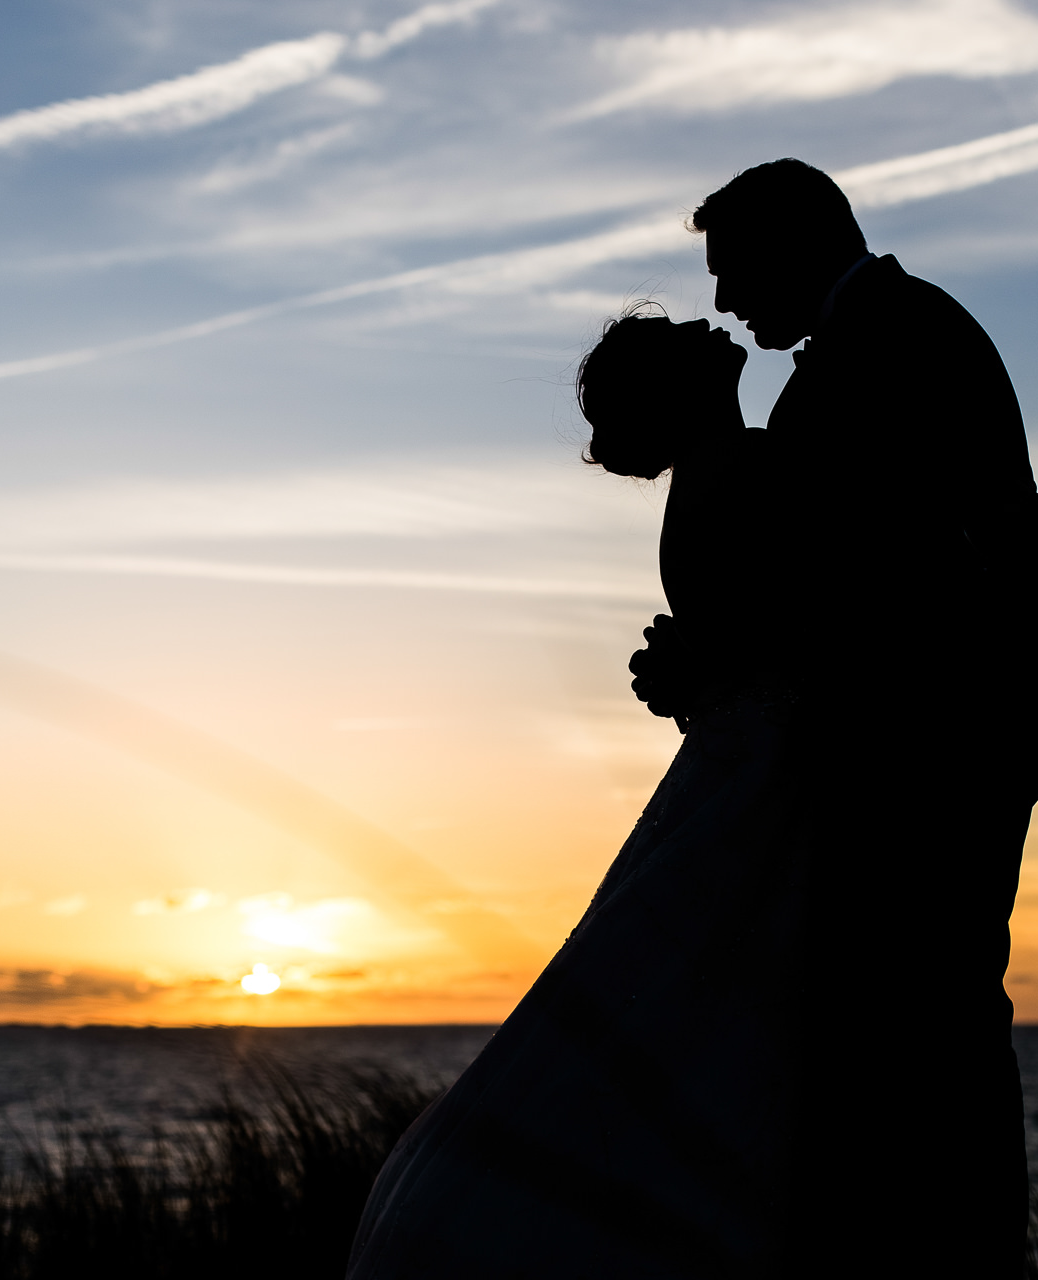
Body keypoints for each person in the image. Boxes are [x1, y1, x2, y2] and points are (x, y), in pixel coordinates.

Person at [632, 157, 1038, 1276]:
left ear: (797, 242)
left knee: (933, 1012)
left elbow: (878, 566)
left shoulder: (900, 339)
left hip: (950, 728)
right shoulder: (869, 344)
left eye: (735, 271)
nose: (730, 301)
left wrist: (720, 653)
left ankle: (959, 1250)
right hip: (928, 724)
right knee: (915, 1011)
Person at [347, 309, 824, 1277]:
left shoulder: (722, 475)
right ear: (675, 384)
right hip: (781, 776)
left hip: (751, 761)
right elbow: (814, 628)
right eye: (685, 327)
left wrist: (695, 673)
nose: (708, 317)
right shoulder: (740, 471)